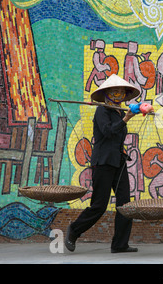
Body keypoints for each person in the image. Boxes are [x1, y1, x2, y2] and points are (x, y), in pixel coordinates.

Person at [65, 74, 152, 253]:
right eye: (115, 91)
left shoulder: (118, 111)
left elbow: (117, 136)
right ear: (108, 93)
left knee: (125, 205)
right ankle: (74, 230)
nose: (119, 94)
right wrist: (126, 118)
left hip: (118, 163)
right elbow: (108, 132)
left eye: (121, 92)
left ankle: (120, 244)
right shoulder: (102, 111)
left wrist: (131, 114)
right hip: (103, 163)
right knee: (99, 205)